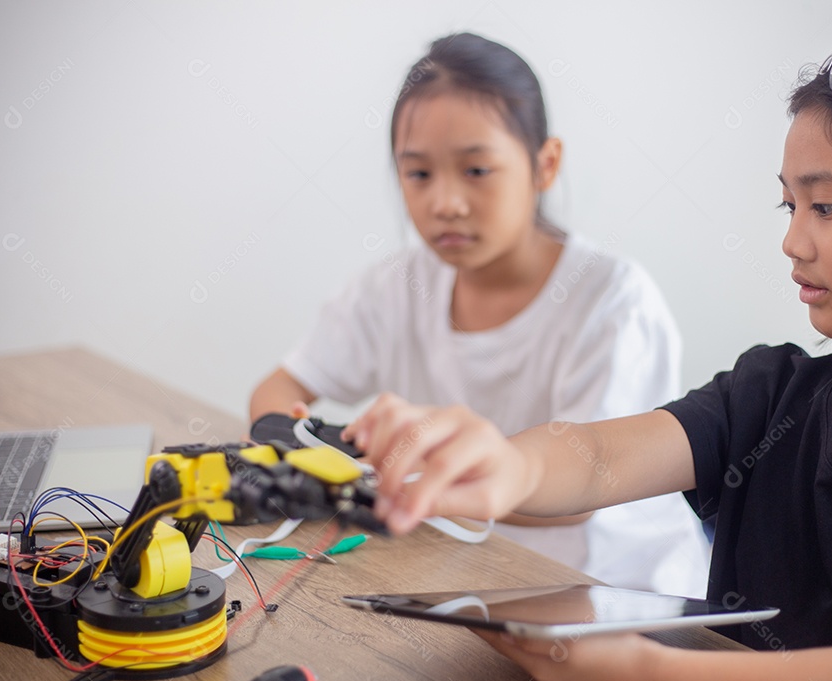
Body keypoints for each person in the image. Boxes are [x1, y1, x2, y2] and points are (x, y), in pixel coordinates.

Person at [342, 14, 832, 681]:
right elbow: (597, 456)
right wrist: (503, 467)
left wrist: (640, 674)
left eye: (826, 205)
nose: (793, 240)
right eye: (789, 204)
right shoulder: (774, 393)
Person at [250, 32, 710, 595]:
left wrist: (395, 471)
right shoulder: (395, 285)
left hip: (611, 594)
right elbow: (276, 393)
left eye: (475, 171)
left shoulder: (613, 302)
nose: (444, 202)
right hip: (466, 578)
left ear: (545, 165)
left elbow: (577, 499)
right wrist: (311, 448)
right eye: (418, 174)